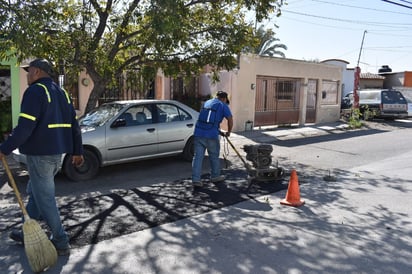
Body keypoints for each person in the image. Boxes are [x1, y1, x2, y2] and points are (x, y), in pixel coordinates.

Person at [0, 58, 84, 256]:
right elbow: (74, 125)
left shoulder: (35, 91)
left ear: (36, 71)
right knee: (36, 193)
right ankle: (24, 232)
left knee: (44, 199)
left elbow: (25, 128)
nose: (27, 75)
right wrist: (77, 151)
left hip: (40, 157)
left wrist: (5, 148)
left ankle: (61, 241)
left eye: (28, 72)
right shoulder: (62, 93)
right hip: (56, 156)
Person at [191, 91, 233, 187]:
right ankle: (215, 176)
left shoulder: (207, 102)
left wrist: (219, 131)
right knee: (214, 156)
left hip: (198, 133)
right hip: (211, 136)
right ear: (224, 99)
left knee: (197, 157)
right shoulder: (223, 105)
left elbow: (207, 120)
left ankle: (196, 180)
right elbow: (230, 119)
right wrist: (229, 132)